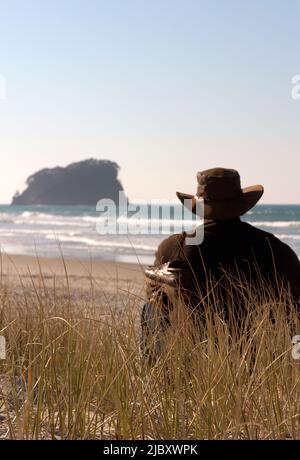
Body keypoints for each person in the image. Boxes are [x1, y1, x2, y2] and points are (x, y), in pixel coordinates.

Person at [141, 168, 300, 361]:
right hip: (259, 359)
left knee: (150, 309)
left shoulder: (175, 247)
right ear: (240, 204)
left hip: (195, 357)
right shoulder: (274, 248)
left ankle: (155, 375)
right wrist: (295, 360)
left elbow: (157, 300)